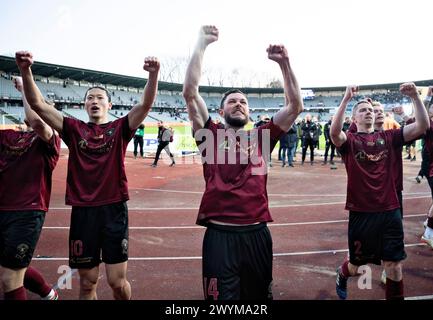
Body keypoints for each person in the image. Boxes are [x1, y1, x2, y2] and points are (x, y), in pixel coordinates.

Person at [16, 50, 160, 300]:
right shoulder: (73, 128)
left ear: (109, 105)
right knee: (87, 284)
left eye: (100, 97)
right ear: (84, 105)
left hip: (114, 210)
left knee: (117, 282)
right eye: (90, 97)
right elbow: (38, 104)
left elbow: (145, 104)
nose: (94, 100)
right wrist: (25, 70)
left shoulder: (120, 128)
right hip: (83, 212)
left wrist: (154, 75)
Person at [182, 25, 303, 300]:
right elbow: (190, 93)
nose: (239, 104)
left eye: (244, 102)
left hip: (257, 234)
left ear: (250, 111)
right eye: (233, 101)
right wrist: (201, 45)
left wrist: (284, 63)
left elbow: (295, 106)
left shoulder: (263, 136)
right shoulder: (209, 135)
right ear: (221, 110)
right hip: (219, 237)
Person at [330, 83, 429, 300]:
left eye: (370, 109)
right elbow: (334, 133)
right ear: (354, 119)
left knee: (393, 265)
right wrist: (346, 100)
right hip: (362, 213)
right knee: (357, 266)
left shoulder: (391, 137)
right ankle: (342, 273)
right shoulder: (351, 141)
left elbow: (422, 126)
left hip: (390, 210)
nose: (368, 112)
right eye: (362, 110)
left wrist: (415, 97)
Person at [0, 76, 60, 300]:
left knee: (9, 277)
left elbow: (35, 121)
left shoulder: (49, 139)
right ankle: (48, 293)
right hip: (2, 208)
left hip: (26, 212)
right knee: (11, 267)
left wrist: (25, 88)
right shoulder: (8, 136)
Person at [420, 86, 433, 248]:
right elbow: (420, 114)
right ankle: (428, 233)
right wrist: (428, 96)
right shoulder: (429, 127)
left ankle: (428, 226)